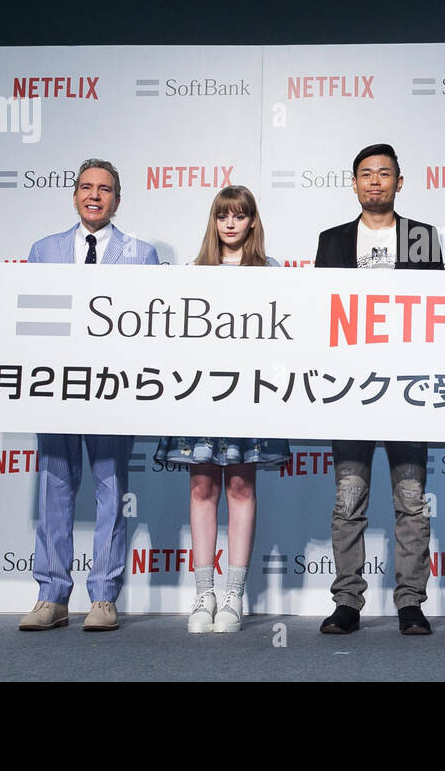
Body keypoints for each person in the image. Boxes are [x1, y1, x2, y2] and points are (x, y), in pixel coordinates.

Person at [20, 159, 159, 632]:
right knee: (54, 486)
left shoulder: (142, 254)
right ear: (75, 194)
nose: (94, 195)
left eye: (104, 189)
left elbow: (151, 323)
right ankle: (51, 596)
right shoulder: (44, 250)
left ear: (117, 199)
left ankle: (103, 597)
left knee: (111, 487)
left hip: (113, 386)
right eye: (86, 187)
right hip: (55, 384)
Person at [313, 144, 443, 636]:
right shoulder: (332, 240)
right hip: (350, 390)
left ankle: (410, 603)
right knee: (349, 499)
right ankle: (348, 602)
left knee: (411, 500)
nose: (374, 182)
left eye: (384, 174)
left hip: (408, 388)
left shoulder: (421, 238)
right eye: (365, 174)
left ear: (399, 181)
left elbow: (439, 313)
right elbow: (319, 313)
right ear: (354, 183)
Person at [155, 186, 288, 633]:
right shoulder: (193, 272)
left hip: (250, 393)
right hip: (201, 394)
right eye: (222, 216)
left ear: (252, 222)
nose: (230, 224)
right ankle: (203, 595)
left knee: (242, 488)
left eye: (240, 215)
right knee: (200, 490)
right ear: (213, 222)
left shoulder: (271, 271)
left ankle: (234, 594)